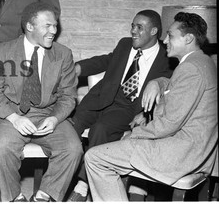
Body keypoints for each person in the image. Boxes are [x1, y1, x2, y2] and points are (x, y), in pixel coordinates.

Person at [85, 12, 217, 202]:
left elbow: (169, 124)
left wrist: (133, 134)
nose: (164, 41)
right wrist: (158, 82)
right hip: (195, 148)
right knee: (110, 153)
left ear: (188, 39)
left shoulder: (190, 69)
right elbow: (177, 86)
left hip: (180, 153)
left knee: (95, 158)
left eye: (170, 36)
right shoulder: (203, 62)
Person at [67, 10, 173, 201]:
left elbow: (170, 88)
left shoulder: (167, 56)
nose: (133, 30)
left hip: (127, 108)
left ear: (154, 31)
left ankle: (83, 185)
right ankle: (59, 181)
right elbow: (106, 60)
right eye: (132, 25)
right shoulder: (125, 44)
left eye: (139, 27)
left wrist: (147, 114)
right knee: (70, 128)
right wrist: (77, 68)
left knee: (100, 129)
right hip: (101, 98)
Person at [0, 1, 82, 202]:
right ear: (29, 27)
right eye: (47, 26)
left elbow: (68, 96)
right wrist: (14, 118)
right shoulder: (2, 52)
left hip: (48, 114)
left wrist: (55, 119)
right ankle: (14, 197)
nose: (54, 31)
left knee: (73, 149)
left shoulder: (63, 54)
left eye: (55, 25)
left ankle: (44, 195)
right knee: (0, 148)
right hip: (10, 115)